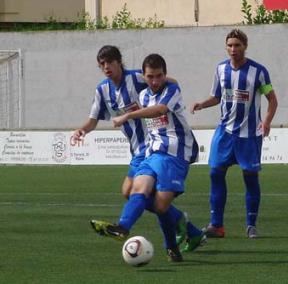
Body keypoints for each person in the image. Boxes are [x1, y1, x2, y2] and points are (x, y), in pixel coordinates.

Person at [74, 45, 202, 256]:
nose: (153, 81)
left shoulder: (140, 80)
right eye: (102, 64)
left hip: (172, 150)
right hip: (147, 149)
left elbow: (165, 99)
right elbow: (93, 119)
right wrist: (81, 130)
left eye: (110, 62)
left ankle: (180, 233)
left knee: (159, 205)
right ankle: (123, 228)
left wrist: (127, 115)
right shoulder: (113, 91)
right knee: (134, 191)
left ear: (119, 62)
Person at [190, 29, 278, 239]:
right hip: (225, 132)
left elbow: (272, 99)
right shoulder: (220, 69)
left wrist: (266, 122)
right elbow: (217, 96)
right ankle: (216, 225)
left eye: (237, 45)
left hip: (249, 135)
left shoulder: (259, 71)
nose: (233, 49)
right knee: (215, 173)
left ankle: (251, 225)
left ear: (245, 46)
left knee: (250, 177)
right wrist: (202, 104)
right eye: (230, 45)